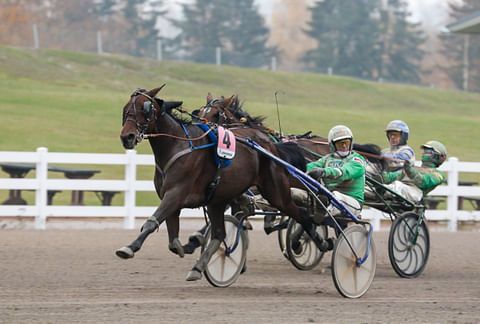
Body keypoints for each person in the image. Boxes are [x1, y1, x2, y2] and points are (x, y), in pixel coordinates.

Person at [304, 125, 366, 220]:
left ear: (351, 143)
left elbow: (345, 172)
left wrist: (324, 172)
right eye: (340, 143)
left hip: (352, 201)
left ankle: (320, 215)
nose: (344, 146)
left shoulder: (357, 160)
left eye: (346, 142)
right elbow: (312, 166)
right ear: (333, 145)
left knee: (335, 196)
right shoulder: (327, 158)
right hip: (330, 197)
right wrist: (307, 170)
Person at [382, 140, 447, 202]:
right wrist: (382, 168)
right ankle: (379, 190)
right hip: (400, 189)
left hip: (416, 193)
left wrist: (409, 170)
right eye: (424, 151)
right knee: (393, 184)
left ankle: (382, 190)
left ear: (436, 156)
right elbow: (391, 177)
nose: (423, 153)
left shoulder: (439, 175)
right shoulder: (414, 168)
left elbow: (423, 181)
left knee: (398, 186)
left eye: (427, 152)